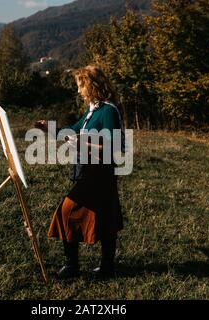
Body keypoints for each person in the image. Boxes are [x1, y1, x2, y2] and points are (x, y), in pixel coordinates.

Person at [35, 65, 125, 279]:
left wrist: (85, 144)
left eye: (80, 86)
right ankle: (106, 267)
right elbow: (72, 132)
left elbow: (116, 146)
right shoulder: (92, 110)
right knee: (105, 216)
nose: (78, 91)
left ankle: (73, 266)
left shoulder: (108, 111)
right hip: (90, 171)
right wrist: (51, 128)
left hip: (99, 173)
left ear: (92, 85)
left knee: (66, 210)